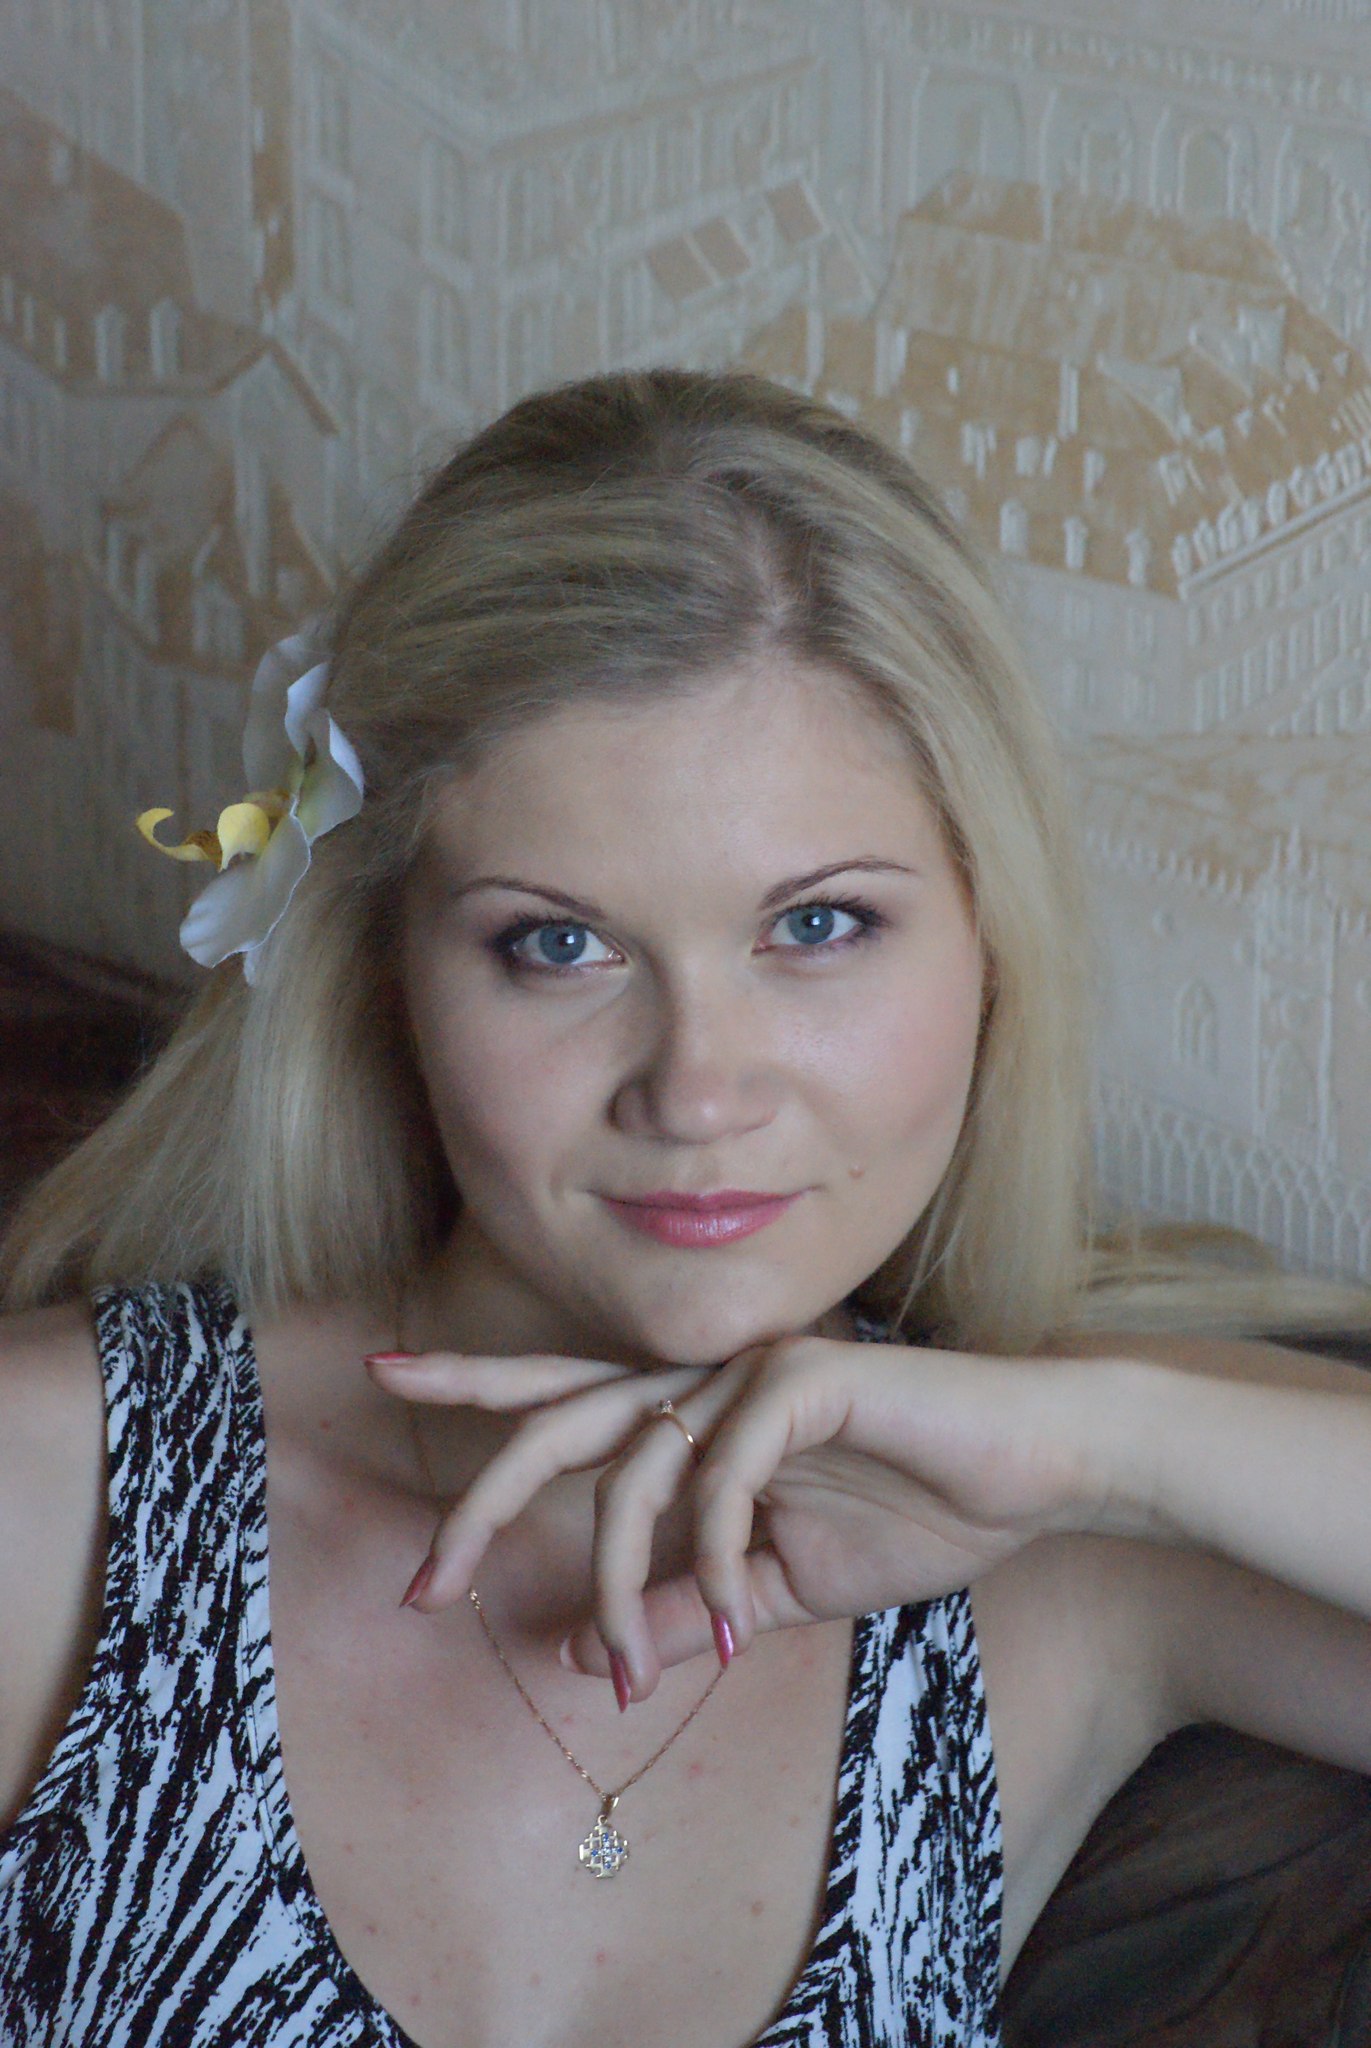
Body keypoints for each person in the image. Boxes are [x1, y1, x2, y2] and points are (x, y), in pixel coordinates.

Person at [0, 366, 1368, 2048]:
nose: (698, 1090)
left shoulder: (1054, 1562)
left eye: (819, 927)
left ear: (990, 946)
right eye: (558, 945)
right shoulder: (62, 1498)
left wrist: (1112, 1444)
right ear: (382, 974)